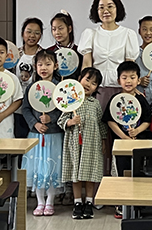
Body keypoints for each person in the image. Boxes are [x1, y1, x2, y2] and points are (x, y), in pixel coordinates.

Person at [101, 60, 151, 219]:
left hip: (138, 144)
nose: (128, 81)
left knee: (138, 172)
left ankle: (138, 203)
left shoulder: (141, 99)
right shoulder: (115, 99)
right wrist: (124, 137)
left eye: (132, 77)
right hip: (120, 144)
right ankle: (120, 204)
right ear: (118, 80)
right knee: (121, 172)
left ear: (138, 80)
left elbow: (147, 120)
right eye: (124, 77)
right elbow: (110, 121)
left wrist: (137, 131)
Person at [58, 67, 107, 220]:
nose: (89, 84)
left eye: (94, 83)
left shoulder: (95, 103)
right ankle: (78, 202)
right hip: (74, 144)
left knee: (90, 174)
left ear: (96, 88)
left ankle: (89, 202)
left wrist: (103, 140)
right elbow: (61, 121)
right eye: (87, 79)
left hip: (92, 144)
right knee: (76, 174)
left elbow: (101, 124)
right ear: (79, 79)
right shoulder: (71, 101)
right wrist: (71, 121)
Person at [78, 0, 140, 110]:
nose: (105, 11)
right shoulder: (90, 33)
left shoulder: (128, 34)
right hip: (95, 90)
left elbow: (129, 66)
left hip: (121, 89)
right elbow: (87, 65)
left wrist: (131, 89)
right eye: (101, 8)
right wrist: (83, 89)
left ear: (117, 8)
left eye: (110, 6)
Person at [21, 49, 63, 217]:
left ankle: (50, 201)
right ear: (35, 67)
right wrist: (35, 124)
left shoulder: (60, 87)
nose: (43, 68)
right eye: (40, 64)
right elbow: (25, 109)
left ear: (55, 66)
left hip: (54, 135)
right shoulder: (32, 87)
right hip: (35, 135)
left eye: (48, 64)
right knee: (37, 168)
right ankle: (40, 202)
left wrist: (51, 118)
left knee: (52, 168)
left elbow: (64, 109)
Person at [15, 17, 44, 138]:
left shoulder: (44, 56)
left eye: (37, 33)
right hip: (15, 106)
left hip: (35, 107)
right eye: (29, 32)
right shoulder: (14, 54)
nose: (32, 36)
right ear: (23, 33)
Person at [47, 11, 83, 80]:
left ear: (69, 29)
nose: (57, 32)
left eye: (60, 28)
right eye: (54, 29)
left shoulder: (79, 51)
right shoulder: (49, 52)